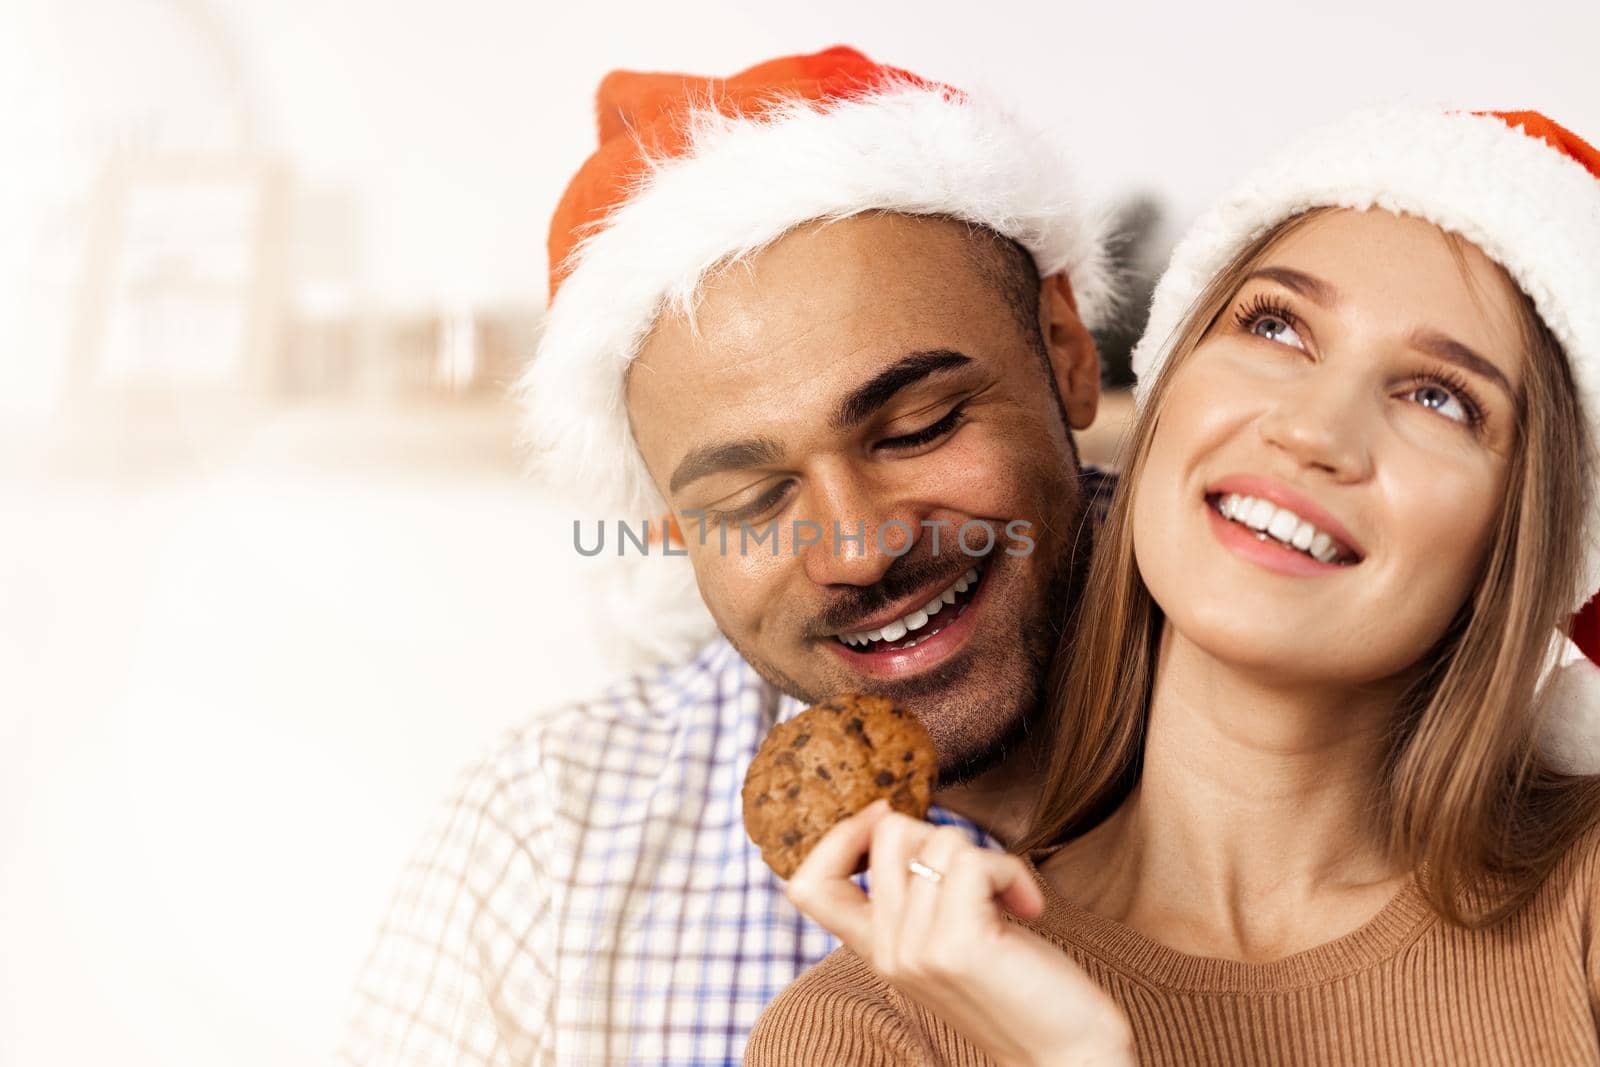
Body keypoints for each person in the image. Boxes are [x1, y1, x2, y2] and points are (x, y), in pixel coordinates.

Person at [748, 108, 1600, 1066]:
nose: (1312, 430)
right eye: (1276, 326)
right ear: (1166, 392)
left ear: (1532, 540)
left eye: (1439, 397)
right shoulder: (867, 1032)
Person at [337, 45, 1120, 1066]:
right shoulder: (544, 844)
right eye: (748, 499)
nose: (857, 547)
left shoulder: (1343, 729)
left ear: (1065, 349)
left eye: (918, 425)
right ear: (667, 522)